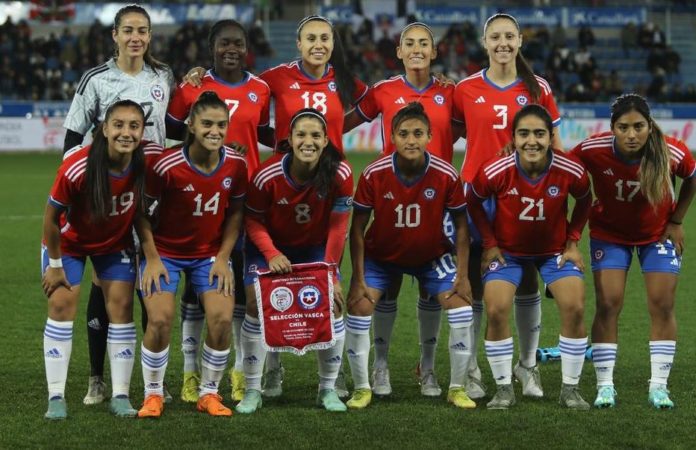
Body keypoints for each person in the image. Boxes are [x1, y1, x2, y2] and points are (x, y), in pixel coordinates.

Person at [185, 17, 365, 396]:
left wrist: (327, 139)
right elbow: (243, 98)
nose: (318, 44)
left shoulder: (344, 79)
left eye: (325, 38)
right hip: (276, 183)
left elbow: (369, 105)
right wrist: (202, 75)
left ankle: (332, 379)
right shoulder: (271, 80)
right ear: (297, 43)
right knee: (261, 297)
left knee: (327, 293)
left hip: (325, 185)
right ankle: (268, 370)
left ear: (333, 43)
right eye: (311, 37)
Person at [61, 3, 175, 405]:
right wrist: (84, 196)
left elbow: (170, 125)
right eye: (128, 30)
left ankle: (151, 384)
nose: (136, 37)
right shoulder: (96, 79)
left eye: (142, 30)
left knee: (148, 282)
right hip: (108, 197)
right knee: (104, 282)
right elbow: (74, 138)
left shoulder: (163, 76)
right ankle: (97, 378)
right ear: (115, 35)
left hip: (153, 194)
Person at [343, 21, 462, 398]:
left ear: (434, 51)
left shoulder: (450, 91)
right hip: (392, 197)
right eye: (408, 43)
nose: (416, 49)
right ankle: (379, 367)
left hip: (438, 200)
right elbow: (345, 122)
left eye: (423, 43)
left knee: (432, 291)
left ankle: (426, 368)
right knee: (388, 284)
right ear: (398, 51)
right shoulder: (383, 91)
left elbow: (471, 126)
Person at [452, 13, 563, 400]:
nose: (502, 43)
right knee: (475, 284)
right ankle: (471, 369)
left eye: (509, 36)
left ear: (520, 41)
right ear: (485, 43)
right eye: (495, 37)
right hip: (476, 199)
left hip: (525, 198)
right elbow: (444, 138)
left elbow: (557, 147)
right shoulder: (464, 89)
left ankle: (527, 366)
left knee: (528, 280)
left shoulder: (538, 88)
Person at [166, 19, 273, 404]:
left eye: (239, 43)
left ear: (247, 47)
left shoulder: (260, 88)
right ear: (212, 47)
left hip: (248, 200)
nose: (232, 49)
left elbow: (263, 133)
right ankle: (191, 373)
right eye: (224, 43)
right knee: (197, 295)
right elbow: (175, 131)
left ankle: (240, 373)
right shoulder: (193, 86)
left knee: (242, 293)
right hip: (203, 201)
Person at [346, 102, 475, 410]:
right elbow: (357, 228)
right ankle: (368, 380)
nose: (411, 140)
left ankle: (453, 386)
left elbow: (460, 227)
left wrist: (463, 276)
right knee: (359, 307)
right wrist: (358, 278)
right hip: (382, 256)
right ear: (392, 136)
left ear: (430, 136)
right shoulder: (374, 173)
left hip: (431, 257)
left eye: (418, 133)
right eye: (404, 134)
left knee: (461, 309)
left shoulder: (445, 173)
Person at [570, 94, 696, 409]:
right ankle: (605, 386)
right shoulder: (592, 150)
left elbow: (692, 178)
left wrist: (677, 220)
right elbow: (560, 167)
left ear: (649, 126)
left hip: (657, 235)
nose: (631, 134)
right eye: (623, 127)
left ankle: (658, 387)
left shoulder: (671, 151)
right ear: (611, 128)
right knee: (609, 304)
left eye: (638, 126)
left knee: (662, 303)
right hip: (609, 235)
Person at [467, 104, 592, 410]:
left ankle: (570, 390)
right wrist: (490, 243)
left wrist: (573, 240)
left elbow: (586, 199)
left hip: (553, 254)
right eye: (524, 134)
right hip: (508, 253)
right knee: (495, 309)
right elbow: (473, 200)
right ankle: (503, 388)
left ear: (551, 137)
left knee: (574, 307)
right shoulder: (495, 170)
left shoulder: (570, 169)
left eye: (539, 134)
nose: (531, 141)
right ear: (514, 138)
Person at [235, 108, 353, 413]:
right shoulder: (267, 176)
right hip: (267, 248)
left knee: (333, 305)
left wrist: (331, 274)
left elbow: (339, 227)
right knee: (254, 304)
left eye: (316, 135)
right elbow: (253, 221)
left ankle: (327, 389)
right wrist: (272, 253)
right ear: (289, 139)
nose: (308, 141)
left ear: (326, 140)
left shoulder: (340, 174)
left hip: (314, 248)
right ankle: (252, 389)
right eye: (301, 134)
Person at [136, 92, 247, 418]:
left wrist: (223, 258)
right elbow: (142, 214)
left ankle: (209, 393)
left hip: (208, 255)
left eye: (222, 125)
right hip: (165, 253)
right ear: (191, 125)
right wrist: (152, 257)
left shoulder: (236, 165)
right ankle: (152, 394)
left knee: (223, 319)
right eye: (208, 124)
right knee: (158, 319)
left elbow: (236, 213)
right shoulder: (166, 165)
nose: (215, 131)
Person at [42, 100, 148, 420]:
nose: (126, 133)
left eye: (134, 126)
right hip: (68, 245)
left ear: (142, 131)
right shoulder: (78, 166)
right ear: (104, 129)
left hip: (113, 244)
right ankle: (56, 397)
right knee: (62, 307)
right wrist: (56, 264)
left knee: (121, 309)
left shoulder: (145, 162)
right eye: (118, 125)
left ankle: (120, 395)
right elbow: (50, 219)